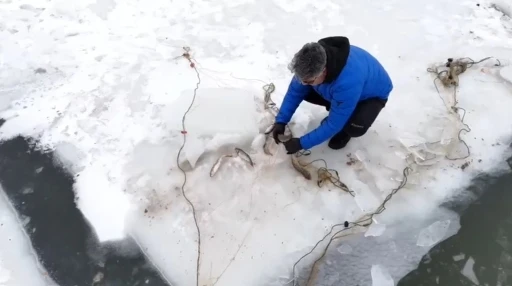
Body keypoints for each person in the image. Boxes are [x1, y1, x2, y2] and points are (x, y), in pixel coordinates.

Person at [272, 36, 393, 154]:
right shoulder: (311, 63)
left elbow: (333, 124)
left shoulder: (347, 82)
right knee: (304, 91)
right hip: (344, 89)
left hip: (371, 97)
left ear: (323, 71)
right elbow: (295, 92)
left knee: (356, 127)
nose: (303, 83)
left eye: (308, 81)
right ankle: (340, 109)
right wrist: (281, 121)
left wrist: (301, 143)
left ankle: (346, 129)